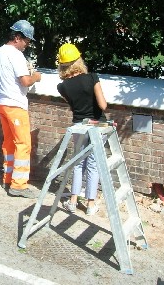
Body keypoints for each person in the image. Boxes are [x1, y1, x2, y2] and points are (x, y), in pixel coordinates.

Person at [0, 20, 42, 199]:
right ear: (17, 37)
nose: (27, 45)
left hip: (1, 103)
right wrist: (35, 76)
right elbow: (25, 81)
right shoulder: (16, 55)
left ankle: (8, 177)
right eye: (27, 41)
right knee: (23, 144)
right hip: (15, 104)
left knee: (9, 142)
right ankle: (19, 185)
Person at [56, 43, 108, 215]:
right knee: (93, 164)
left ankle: (72, 201)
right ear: (79, 60)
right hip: (97, 125)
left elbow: (73, 106)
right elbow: (103, 105)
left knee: (78, 163)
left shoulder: (62, 87)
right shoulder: (92, 77)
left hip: (78, 126)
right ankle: (90, 205)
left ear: (62, 64)